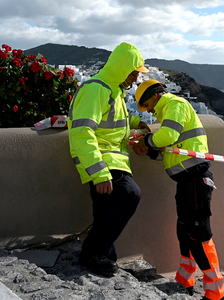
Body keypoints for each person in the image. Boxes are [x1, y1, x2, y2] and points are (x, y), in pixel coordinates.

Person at [131, 80, 224, 300]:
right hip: (186, 181)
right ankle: (185, 281)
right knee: (185, 231)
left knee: (198, 232)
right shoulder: (168, 113)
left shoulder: (175, 104)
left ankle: (216, 293)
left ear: (156, 96)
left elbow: (168, 137)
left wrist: (146, 141)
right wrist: (151, 152)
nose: (150, 111)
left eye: (148, 105)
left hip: (195, 179)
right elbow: (173, 152)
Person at [67, 42, 150, 277]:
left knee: (104, 212)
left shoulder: (113, 90)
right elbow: (82, 132)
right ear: (123, 69)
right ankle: (92, 253)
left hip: (109, 160)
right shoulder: (96, 89)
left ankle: (103, 258)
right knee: (129, 194)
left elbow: (114, 120)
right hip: (102, 162)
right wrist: (99, 172)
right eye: (134, 73)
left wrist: (136, 124)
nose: (135, 79)